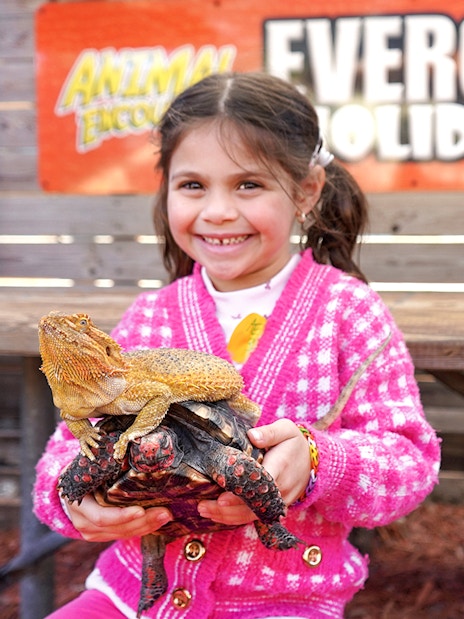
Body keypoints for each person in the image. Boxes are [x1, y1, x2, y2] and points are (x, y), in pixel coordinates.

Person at [33, 71, 440, 619]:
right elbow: (65, 450)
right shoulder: (147, 319)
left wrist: (322, 459)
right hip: (130, 594)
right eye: (193, 185)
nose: (218, 210)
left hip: (284, 602)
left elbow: (409, 465)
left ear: (306, 191)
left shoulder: (349, 314)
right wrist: (75, 501)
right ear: (167, 190)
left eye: (248, 184)